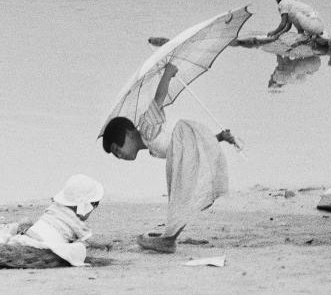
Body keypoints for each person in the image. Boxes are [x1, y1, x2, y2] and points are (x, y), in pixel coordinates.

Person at [100, 63, 236, 253]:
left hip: (184, 137)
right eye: (116, 154)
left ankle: (169, 239)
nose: (119, 155)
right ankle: (169, 235)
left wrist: (168, 73)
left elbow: (159, 99)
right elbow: (191, 149)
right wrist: (220, 137)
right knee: (179, 197)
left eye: (117, 148)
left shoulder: (146, 128)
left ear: (129, 133)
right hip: (185, 147)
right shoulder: (151, 148)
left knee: (178, 197)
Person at [0, 174, 106, 266]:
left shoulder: (54, 207)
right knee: (79, 247)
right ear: (86, 206)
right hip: (46, 243)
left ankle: (1, 239)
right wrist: (103, 245)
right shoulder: (77, 223)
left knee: (22, 234)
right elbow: (89, 240)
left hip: (31, 233)